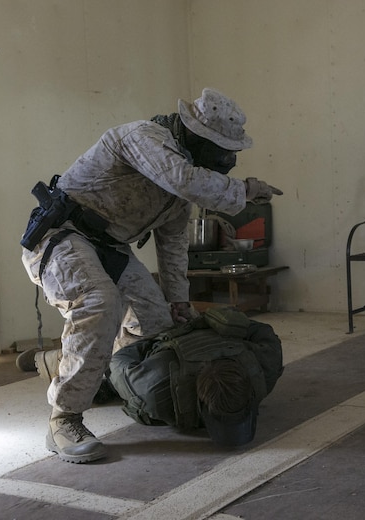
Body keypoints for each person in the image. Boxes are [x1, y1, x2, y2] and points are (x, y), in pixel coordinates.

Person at [19, 88, 282, 463]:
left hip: (109, 248)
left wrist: (178, 301)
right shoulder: (143, 138)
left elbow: (173, 244)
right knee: (99, 302)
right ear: (196, 135)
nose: (226, 159)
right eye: (222, 149)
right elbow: (185, 180)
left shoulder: (181, 184)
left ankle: (67, 365)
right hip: (62, 237)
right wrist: (246, 190)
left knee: (156, 330)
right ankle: (64, 418)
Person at [32, 308, 284, 454]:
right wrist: (159, 341)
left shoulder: (264, 368)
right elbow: (119, 362)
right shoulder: (156, 388)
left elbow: (262, 331)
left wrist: (227, 322)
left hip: (196, 326)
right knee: (118, 350)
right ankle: (61, 359)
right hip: (161, 346)